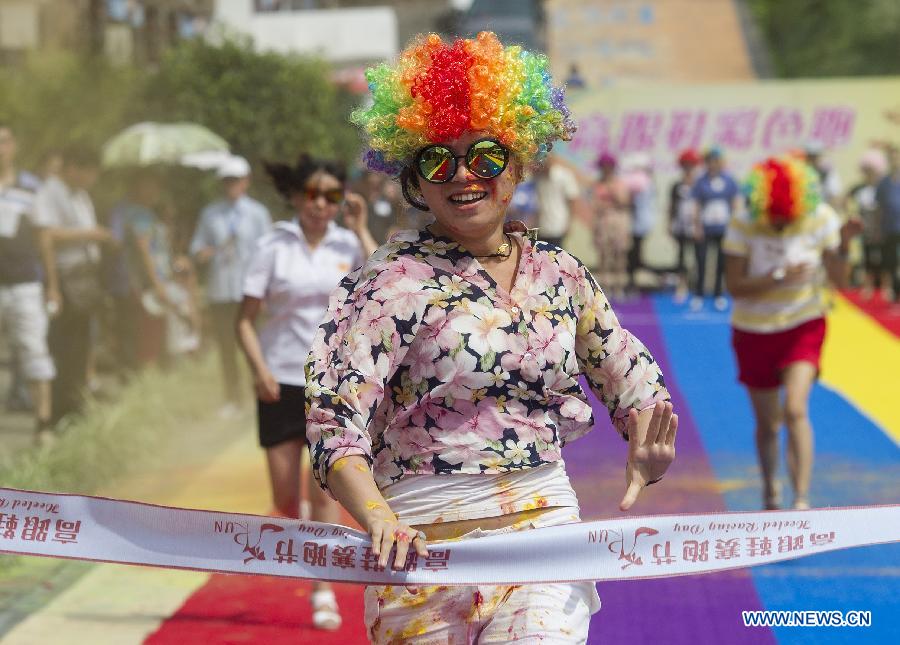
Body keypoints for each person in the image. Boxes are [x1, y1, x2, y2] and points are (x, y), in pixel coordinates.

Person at [306, 31, 677, 643]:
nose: (463, 174)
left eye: (485, 155)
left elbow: (629, 377)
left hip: (543, 538)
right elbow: (334, 416)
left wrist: (647, 443)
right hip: (418, 551)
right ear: (414, 179)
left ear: (520, 163)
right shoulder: (389, 283)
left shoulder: (561, 274)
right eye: (437, 160)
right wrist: (376, 516)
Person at [236, 153, 377, 631]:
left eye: (331, 196)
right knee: (283, 497)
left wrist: (360, 228)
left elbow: (383, 281)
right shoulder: (273, 246)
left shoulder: (348, 243)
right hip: (278, 381)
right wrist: (259, 370)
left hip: (328, 385)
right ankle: (305, 544)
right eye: (313, 195)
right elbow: (243, 321)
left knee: (324, 492)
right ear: (297, 197)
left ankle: (321, 588)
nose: (321, 204)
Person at [724, 156, 860, 511]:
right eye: (775, 220)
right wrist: (780, 276)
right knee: (768, 424)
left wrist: (845, 245)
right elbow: (734, 286)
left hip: (803, 324)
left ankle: (801, 499)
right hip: (753, 330)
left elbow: (841, 281)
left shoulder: (822, 218)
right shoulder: (743, 221)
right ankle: (771, 491)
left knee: (796, 410)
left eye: (788, 220)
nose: (782, 226)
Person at [35, 145, 116, 424]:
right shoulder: (50, 192)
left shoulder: (80, 195)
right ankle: (61, 410)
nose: (92, 179)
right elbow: (46, 237)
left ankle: (77, 404)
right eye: (89, 172)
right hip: (65, 277)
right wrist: (53, 287)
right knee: (64, 347)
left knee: (82, 345)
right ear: (72, 168)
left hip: (85, 277)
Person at [190, 156, 271, 416]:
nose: (231, 185)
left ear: (246, 181)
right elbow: (197, 247)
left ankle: (261, 392)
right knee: (226, 346)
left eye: (235, 180)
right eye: (226, 181)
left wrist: (268, 290)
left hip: (250, 290)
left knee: (255, 345)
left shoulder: (257, 213)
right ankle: (233, 399)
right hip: (221, 290)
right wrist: (204, 252)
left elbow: (269, 254)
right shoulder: (210, 214)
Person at [0, 124, 55, 443]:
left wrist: (52, 285)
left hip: (25, 285)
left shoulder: (32, 188)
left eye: (4, 142)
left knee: (34, 351)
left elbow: (44, 237)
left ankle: (43, 424)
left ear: (14, 146)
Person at [107, 169, 172, 370]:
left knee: (145, 330)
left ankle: (143, 370)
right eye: (148, 186)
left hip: (145, 281)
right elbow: (144, 251)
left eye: (156, 186)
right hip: (142, 283)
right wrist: (156, 283)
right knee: (145, 330)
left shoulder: (143, 212)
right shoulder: (137, 214)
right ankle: (144, 372)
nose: (153, 191)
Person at [691, 146, 741, 311]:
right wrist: (697, 226)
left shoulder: (729, 180)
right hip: (705, 228)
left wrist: (734, 227)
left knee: (721, 263)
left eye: (716, 161)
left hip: (723, 229)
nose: (713, 164)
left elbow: (735, 204)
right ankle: (699, 294)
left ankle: (718, 294)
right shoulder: (701, 181)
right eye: (710, 161)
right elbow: (696, 205)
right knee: (702, 261)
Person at [846, 149, 887, 299]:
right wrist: (852, 215)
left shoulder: (883, 188)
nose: (869, 174)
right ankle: (867, 286)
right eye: (867, 170)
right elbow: (847, 201)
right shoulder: (859, 189)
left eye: (872, 170)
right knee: (866, 258)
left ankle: (885, 288)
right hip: (864, 228)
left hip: (881, 228)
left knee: (884, 258)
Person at [592, 152, 631, 299]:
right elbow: (595, 204)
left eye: (609, 167)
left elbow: (624, 202)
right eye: (604, 167)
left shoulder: (619, 183)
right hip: (602, 221)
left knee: (619, 254)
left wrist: (612, 192)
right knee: (603, 255)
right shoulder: (597, 184)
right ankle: (604, 286)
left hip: (618, 221)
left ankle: (619, 286)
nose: (606, 169)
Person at [620, 153, 657, 294]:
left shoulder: (647, 183)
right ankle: (632, 280)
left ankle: (634, 281)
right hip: (632, 222)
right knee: (632, 252)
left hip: (640, 222)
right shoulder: (641, 183)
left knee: (635, 251)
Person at [669, 148, 702, 303]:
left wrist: (699, 226)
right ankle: (681, 286)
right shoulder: (676, 185)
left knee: (697, 257)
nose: (688, 168)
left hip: (695, 226)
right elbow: (671, 206)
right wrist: (669, 224)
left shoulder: (699, 185)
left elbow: (701, 206)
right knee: (681, 257)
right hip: (680, 225)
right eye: (685, 165)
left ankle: (696, 287)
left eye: (691, 165)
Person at [534, 153, 580, 248]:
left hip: (558, 226)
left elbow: (573, 201)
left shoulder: (564, 176)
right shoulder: (537, 178)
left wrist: (570, 224)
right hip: (541, 227)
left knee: (557, 255)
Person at [876, 144, 900, 303]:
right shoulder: (884, 182)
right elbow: (879, 208)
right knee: (890, 262)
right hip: (889, 228)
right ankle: (893, 291)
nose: (895, 161)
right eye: (892, 158)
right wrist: (878, 229)